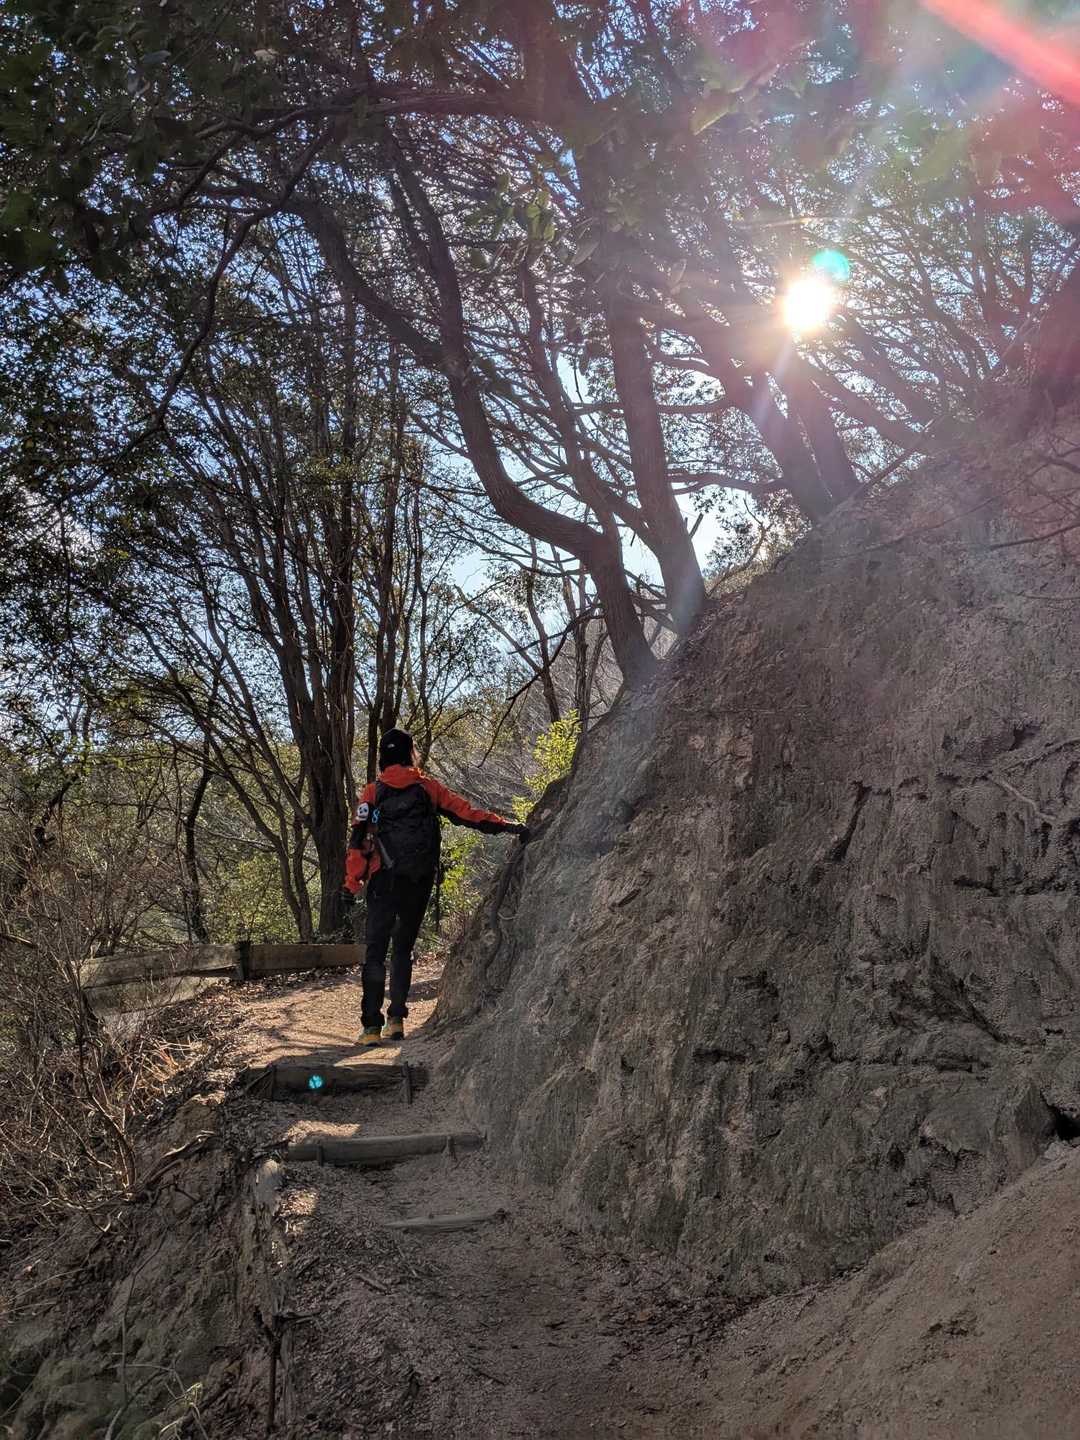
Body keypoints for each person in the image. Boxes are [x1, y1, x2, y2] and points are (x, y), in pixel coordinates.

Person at [344, 728, 527, 1047]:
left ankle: (371, 1027)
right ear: (410, 754)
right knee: (402, 949)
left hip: (383, 880)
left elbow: (358, 839)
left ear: (383, 757)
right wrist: (506, 825)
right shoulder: (428, 787)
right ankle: (396, 1021)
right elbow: (466, 813)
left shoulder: (373, 792)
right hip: (418, 879)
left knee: (375, 953)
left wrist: (352, 882)